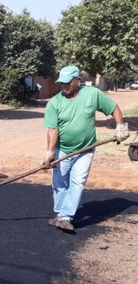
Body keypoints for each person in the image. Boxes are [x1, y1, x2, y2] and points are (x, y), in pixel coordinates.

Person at [42, 65, 129, 231]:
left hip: (86, 150)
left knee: (78, 182)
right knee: (59, 184)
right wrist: (50, 152)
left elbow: (113, 108)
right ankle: (60, 213)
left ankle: (66, 217)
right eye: (61, 83)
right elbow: (53, 129)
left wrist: (120, 127)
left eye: (67, 83)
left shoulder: (92, 94)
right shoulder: (54, 103)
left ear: (78, 80)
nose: (63, 86)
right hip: (64, 149)